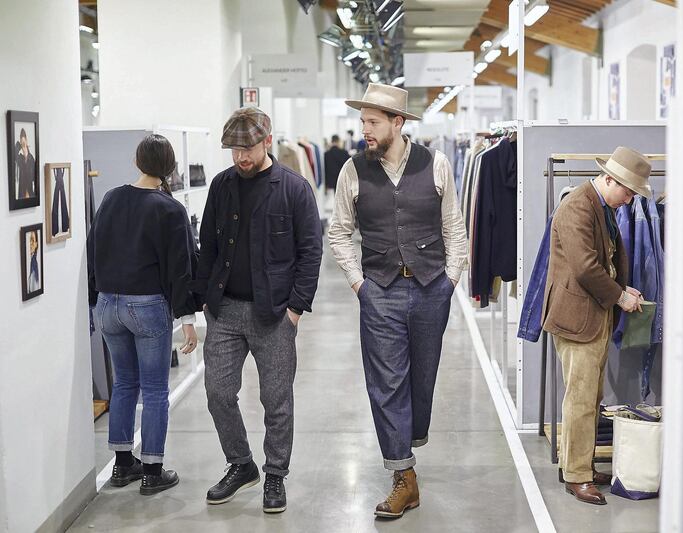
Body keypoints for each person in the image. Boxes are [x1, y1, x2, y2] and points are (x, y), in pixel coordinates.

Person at [328, 83, 468, 518]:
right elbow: (339, 232)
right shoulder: (353, 170)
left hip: (431, 290)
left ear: (397, 123)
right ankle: (403, 475)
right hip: (380, 292)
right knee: (386, 383)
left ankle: (409, 445)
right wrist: (359, 285)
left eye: (372, 122)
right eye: (363, 121)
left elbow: (455, 229)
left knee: (421, 379)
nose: (364, 130)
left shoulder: (437, 164)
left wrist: (450, 281)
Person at [195, 107, 322, 513]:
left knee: (276, 399)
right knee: (218, 393)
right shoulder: (222, 185)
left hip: (275, 313)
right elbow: (208, 246)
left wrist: (296, 310)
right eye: (234, 149)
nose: (240, 157)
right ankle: (241, 464)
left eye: (247, 147)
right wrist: (205, 299)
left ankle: (275, 476)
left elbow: (311, 251)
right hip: (225, 310)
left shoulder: (294, 189)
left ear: (267, 141)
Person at [87, 134, 199, 495]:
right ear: (170, 168)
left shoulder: (111, 198)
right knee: (153, 390)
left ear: (137, 162)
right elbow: (179, 269)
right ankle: (152, 469)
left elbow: (93, 250)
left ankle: (122, 465)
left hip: (108, 304)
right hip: (146, 306)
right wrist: (188, 321)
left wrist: (95, 300)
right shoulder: (169, 209)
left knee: (123, 383)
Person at [541, 146, 651, 505]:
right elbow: (586, 267)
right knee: (580, 400)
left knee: (591, 398)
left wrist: (621, 287)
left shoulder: (600, 206)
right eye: (628, 189)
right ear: (608, 179)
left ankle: (582, 464)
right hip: (578, 320)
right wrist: (620, 297)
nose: (630, 197)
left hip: (593, 315)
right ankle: (576, 475)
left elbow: (602, 263)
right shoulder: (577, 206)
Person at [16, 128, 36, 199]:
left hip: (30, 190)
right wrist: (18, 145)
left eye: (24, 144)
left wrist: (27, 156)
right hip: (22, 190)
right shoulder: (20, 158)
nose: (24, 148)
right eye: (22, 144)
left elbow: (33, 177)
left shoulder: (31, 158)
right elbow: (14, 156)